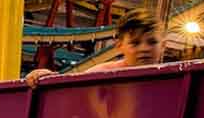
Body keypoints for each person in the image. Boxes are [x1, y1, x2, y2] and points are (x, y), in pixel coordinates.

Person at [27, 11, 163, 82]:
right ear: (119, 46)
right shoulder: (104, 73)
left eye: (152, 42)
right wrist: (45, 78)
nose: (144, 48)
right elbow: (70, 90)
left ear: (163, 46)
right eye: (135, 43)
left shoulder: (174, 79)